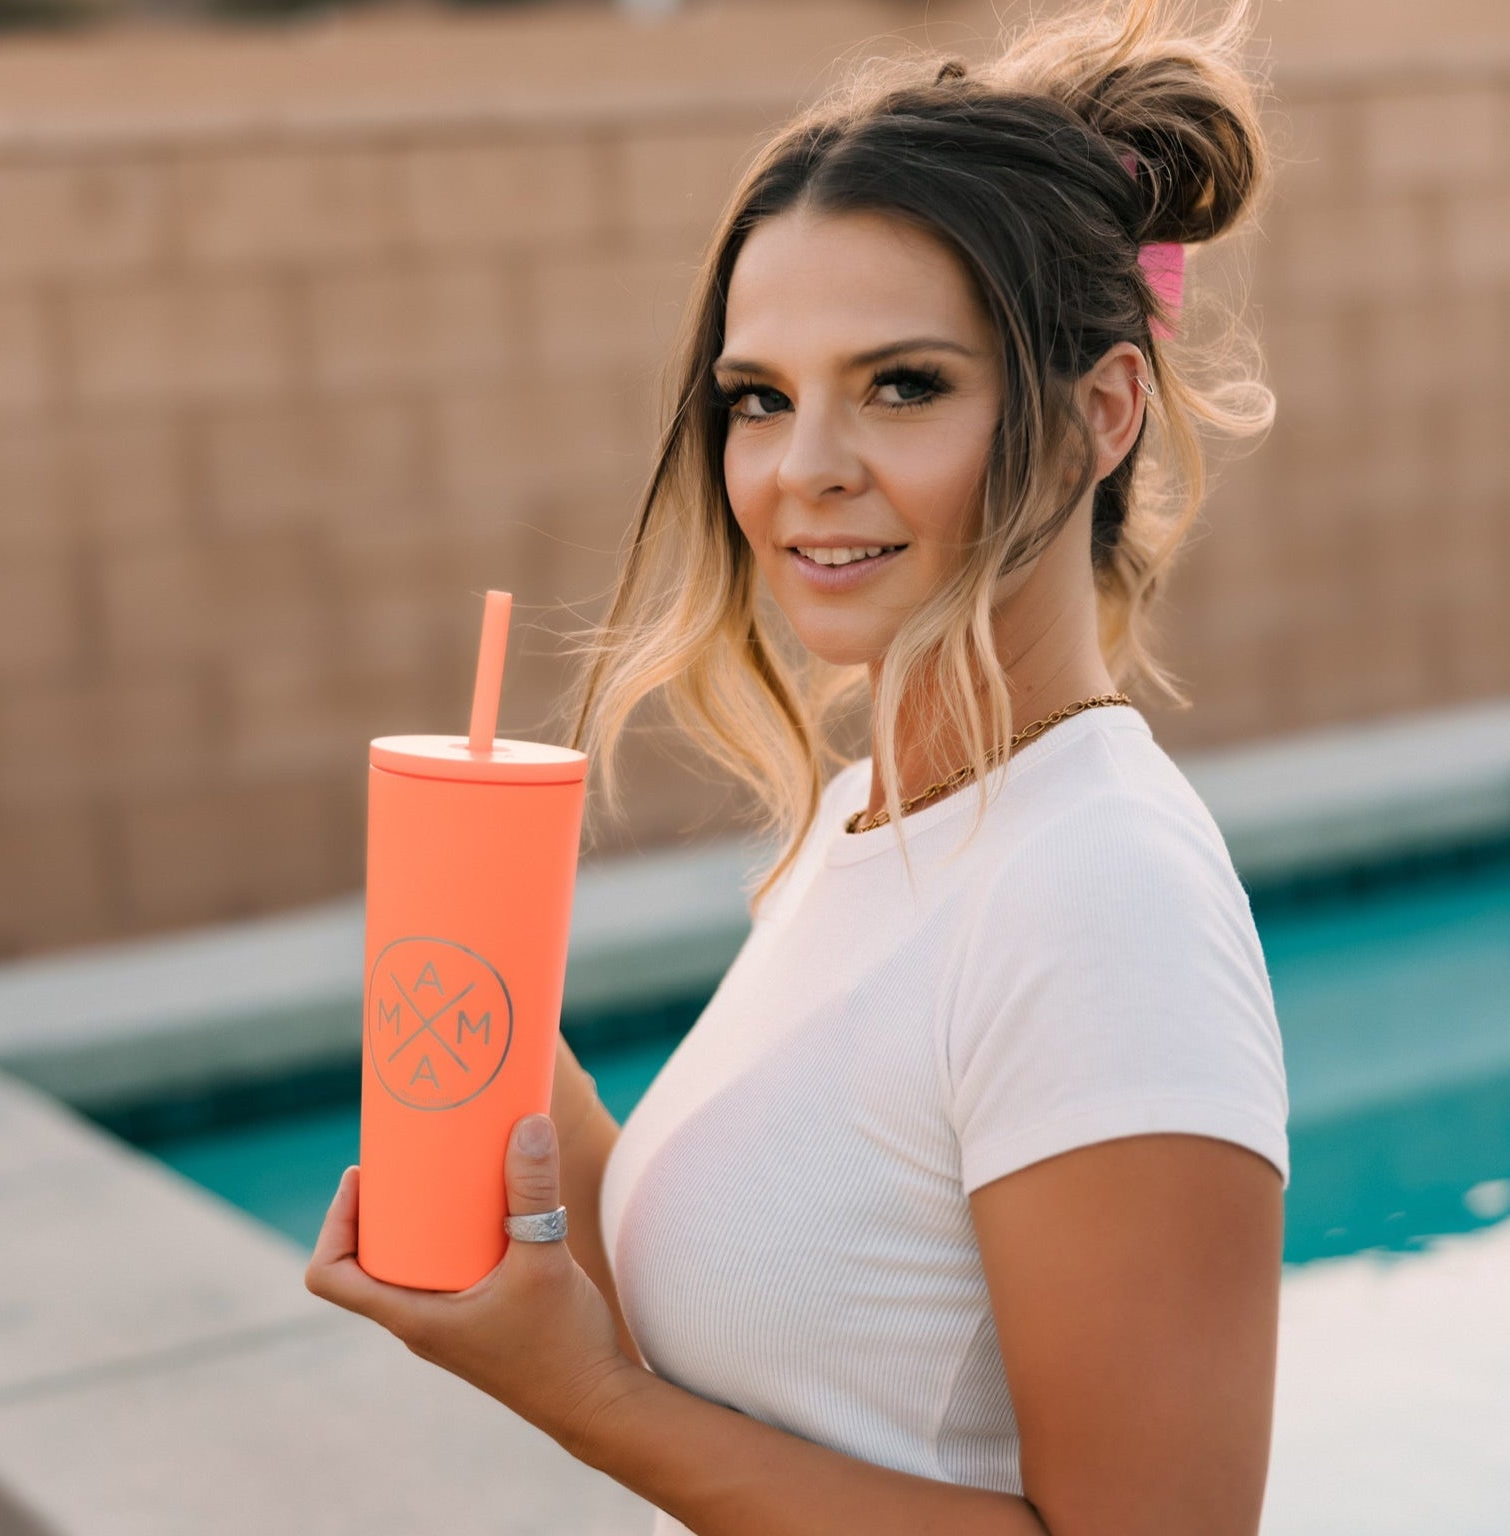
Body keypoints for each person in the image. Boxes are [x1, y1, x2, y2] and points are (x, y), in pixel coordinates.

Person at [305, 1, 1292, 1532]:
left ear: (1098, 416)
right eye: (758, 398)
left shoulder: (1101, 894)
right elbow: (782, 1320)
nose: (802, 469)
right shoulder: (878, 817)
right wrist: (489, 1012)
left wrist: (586, 1402)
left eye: (903, 385)